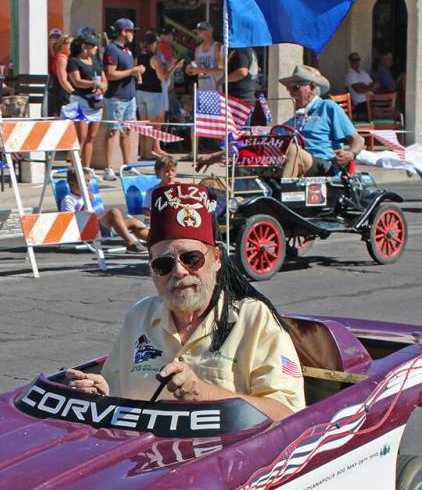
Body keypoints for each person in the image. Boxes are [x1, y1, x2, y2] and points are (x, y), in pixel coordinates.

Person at [65, 183, 305, 421]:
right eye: (164, 265)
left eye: (192, 259)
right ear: (152, 270)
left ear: (217, 259)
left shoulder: (253, 319)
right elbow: (117, 392)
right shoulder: (139, 317)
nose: (179, 272)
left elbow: (289, 414)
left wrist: (204, 392)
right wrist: (101, 392)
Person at [59, 167, 148, 252]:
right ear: (71, 184)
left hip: (98, 227)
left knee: (133, 222)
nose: (87, 184)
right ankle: (131, 243)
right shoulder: (68, 200)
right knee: (114, 212)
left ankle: (156, 240)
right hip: (85, 230)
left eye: (88, 181)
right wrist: (87, 204)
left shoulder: (85, 195)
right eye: (83, 182)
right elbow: (71, 223)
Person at [103, 18, 145, 181]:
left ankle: (128, 165)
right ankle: (108, 168)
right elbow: (110, 74)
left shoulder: (127, 50)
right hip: (116, 96)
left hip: (129, 95)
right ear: (123, 32)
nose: (133, 34)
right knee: (112, 131)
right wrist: (132, 71)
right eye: (131, 31)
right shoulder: (112, 50)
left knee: (127, 131)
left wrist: (135, 72)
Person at [65, 32, 106, 168]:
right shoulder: (73, 61)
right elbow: (77, 82)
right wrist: (94, 84)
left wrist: (101, 88)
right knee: (81, 136)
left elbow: (104, 80)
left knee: (91, 137)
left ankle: (86, 168)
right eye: (93, 45)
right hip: (79, 101)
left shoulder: (95, 60)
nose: (95, 48)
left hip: (95, 102)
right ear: (84, 47)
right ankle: (74, 168)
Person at [136, 31, 175, 158]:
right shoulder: (154, 58)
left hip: (140, 91)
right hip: (153, 92)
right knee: (152, 124)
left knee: (143, 123)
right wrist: (171, 68)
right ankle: (149, 153)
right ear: (153, 44)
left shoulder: (138, 56)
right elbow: (162, 76)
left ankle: (142, 151)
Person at [186, 22, 222, 92]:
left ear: (210, 31)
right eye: (198, 32)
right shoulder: (197, 49)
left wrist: (201, 70)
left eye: (201, 31)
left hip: (216, 89)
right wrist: (190, 69)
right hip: (202, 89)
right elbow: (196, 68)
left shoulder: (218, 47)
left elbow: (222, 70)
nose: (199, 34)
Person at [47, 33, 73, 117]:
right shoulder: (62, 59)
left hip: (59, 92)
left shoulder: (61, 57)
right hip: (61, 93)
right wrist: (73, 92)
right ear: (63, 46)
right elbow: (63, 80)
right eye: (70, 45)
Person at [344, 52, 376, 120]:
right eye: (354, 60)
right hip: (360, 103)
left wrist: (364, 87)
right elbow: (358, 90)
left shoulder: (364, 73)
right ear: (350, 61)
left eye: (358, 59)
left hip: (372, 100)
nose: (356, 61)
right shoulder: (350, 75)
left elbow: (376, 85)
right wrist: (370, 87)